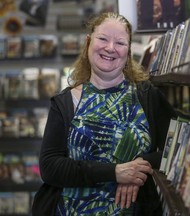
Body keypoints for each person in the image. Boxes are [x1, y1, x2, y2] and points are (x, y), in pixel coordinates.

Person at [32, 12, 176, 215]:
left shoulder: (147, 96)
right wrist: (116, 173)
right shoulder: (65, 101)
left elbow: (177, 147)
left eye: (120, 42)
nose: (110, 48)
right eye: (102, 39)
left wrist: (139, 168)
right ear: (88, 42)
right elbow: (50, 167)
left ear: (128, 51)